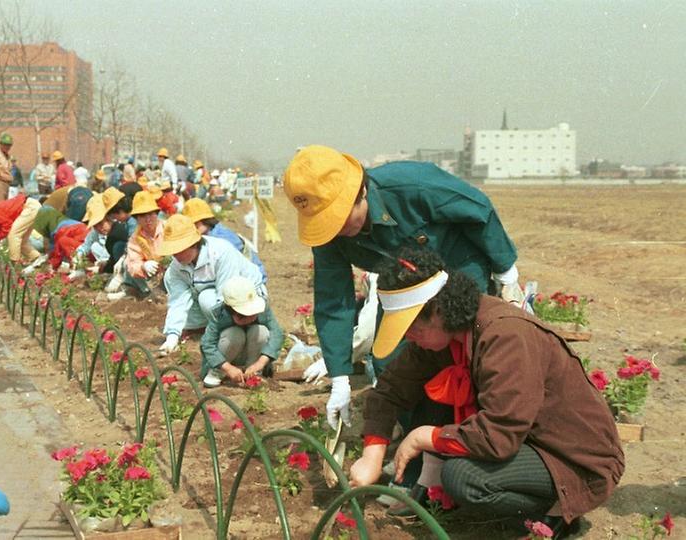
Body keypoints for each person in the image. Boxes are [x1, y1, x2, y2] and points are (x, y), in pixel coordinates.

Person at [348, 246, 624, 538]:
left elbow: (498, 435)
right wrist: (372, 456)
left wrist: (423, 437)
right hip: (526, 437)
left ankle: (556, 512)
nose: (408, 337)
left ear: (439, 311)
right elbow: (390, 389)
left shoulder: (505, 336)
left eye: (412, 328)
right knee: (433, 397)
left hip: (572, 456)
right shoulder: (443, 335)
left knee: (464, 478)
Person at [283, 145, 521, 430]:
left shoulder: (412, 185)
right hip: (402, 281)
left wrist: (506, 273)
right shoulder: (330, 238)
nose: (334, 229)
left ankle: (475, 430)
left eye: (337, 218)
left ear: (361, 193)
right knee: (389, 361)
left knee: (465, 347)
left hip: (458, 264)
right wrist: (340, 379)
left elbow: (478, 211)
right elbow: (334, 300)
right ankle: (414, 436)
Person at [157, 214, 265, 355]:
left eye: (179, 250)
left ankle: (238, 334)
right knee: (205, 299)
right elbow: (178, 301)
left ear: (193, 244)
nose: (175, 255)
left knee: (210, 302)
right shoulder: (175, 269)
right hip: (215, 295)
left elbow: (227, 294)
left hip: (248, 295)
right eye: (173, 251)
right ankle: (222, 331)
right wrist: (172, 337)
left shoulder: (220, 253)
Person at [200, 275, 283, 388]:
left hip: (252, 354)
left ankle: (253, 373)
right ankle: (217, 372)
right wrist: (227, 367)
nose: (250, 318)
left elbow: (276, 334)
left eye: (253, 314)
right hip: (226, 356)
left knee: (261, 331)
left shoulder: (264, 308)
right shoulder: (219, 315)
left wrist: (260, 363)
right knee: (234, 334)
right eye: (243, 316)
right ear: (231, 311)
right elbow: (207, 344)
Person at [181, 198, 267, 281]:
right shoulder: (210, 233)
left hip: (252, 279)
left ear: (205, 220)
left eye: (196, 223)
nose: (193, 228)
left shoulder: (222, 238)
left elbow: (231, 268)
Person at [115, 190, 164, 298]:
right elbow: (133, 264)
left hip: (173, 274)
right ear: (137, 219)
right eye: (142, 216)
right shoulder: (135, 239)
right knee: (127, 264)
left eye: (151, 214)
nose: (148, 220)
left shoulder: (168, 229)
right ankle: (146, 293)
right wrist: (143, 267)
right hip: (152, 278)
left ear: (156, 214)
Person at [0, 193, 41, 264]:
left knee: (14, 235)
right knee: (21, 241)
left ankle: (15, 263)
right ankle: (38, 260)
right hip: (30, 207)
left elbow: (7, 224)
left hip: (29, 207)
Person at [25, 205, 88, 271]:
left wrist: (53, 266)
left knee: (63, 245)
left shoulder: (57, 230)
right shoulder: (63, 220)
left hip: (81, 244)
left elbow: (56, 251)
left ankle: (78, 268)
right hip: (85, 238)